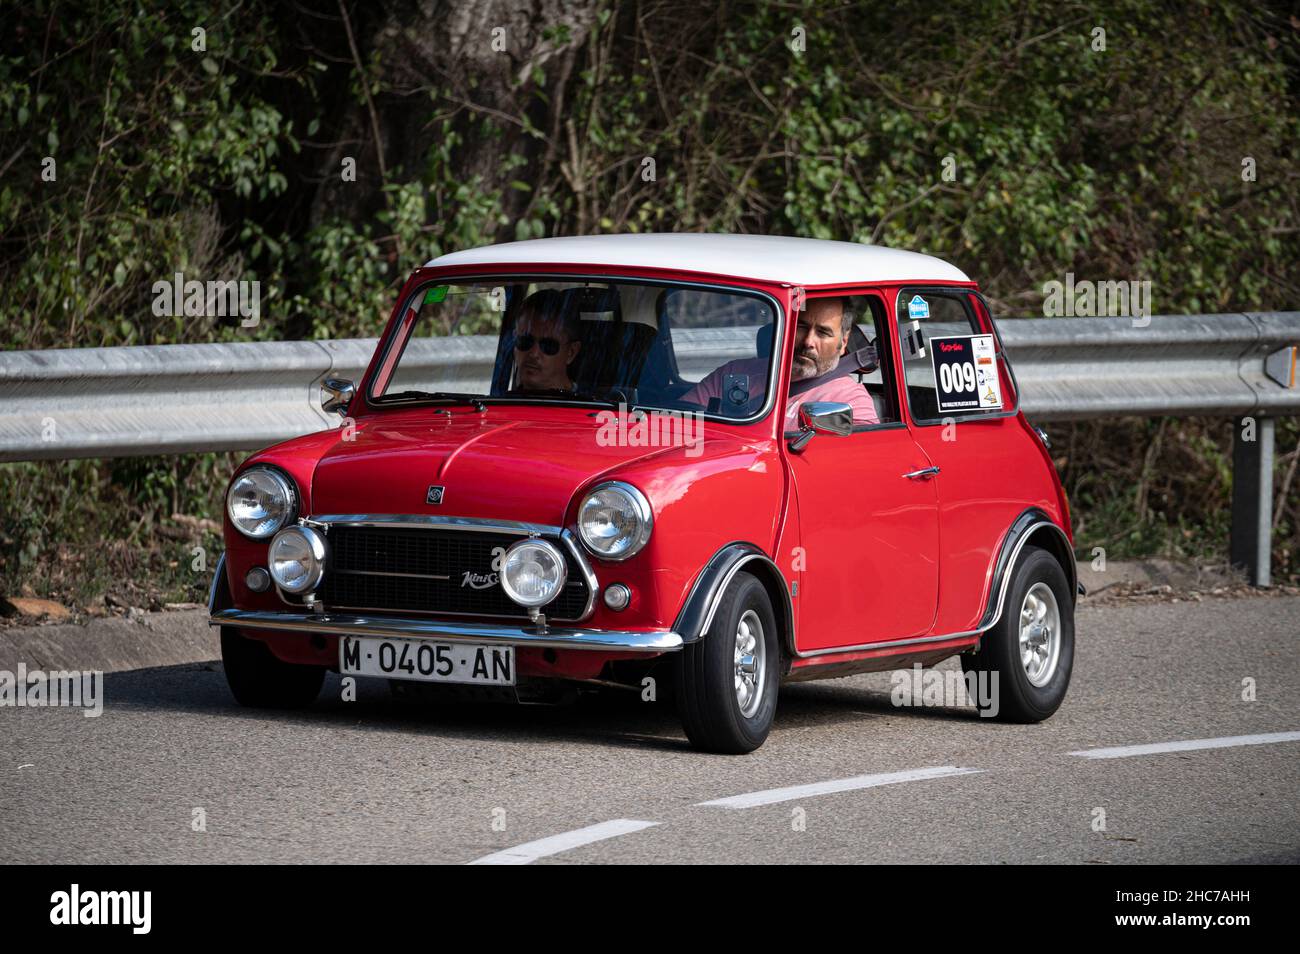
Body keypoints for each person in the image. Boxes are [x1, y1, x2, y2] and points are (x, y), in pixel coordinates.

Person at [683, 297, 878, 428]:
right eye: (801, 326)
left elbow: (858, 460)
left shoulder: (851, 399)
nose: (808, 342)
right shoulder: (734, 373)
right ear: (783, 328)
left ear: (843, 342)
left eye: (823, 332)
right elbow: (679, 424)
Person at [510, 289, 582, 393]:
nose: (534, 353)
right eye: (525, 341)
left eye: (548, 345)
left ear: (571, 352)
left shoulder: (592, 408)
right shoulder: (497, 404)